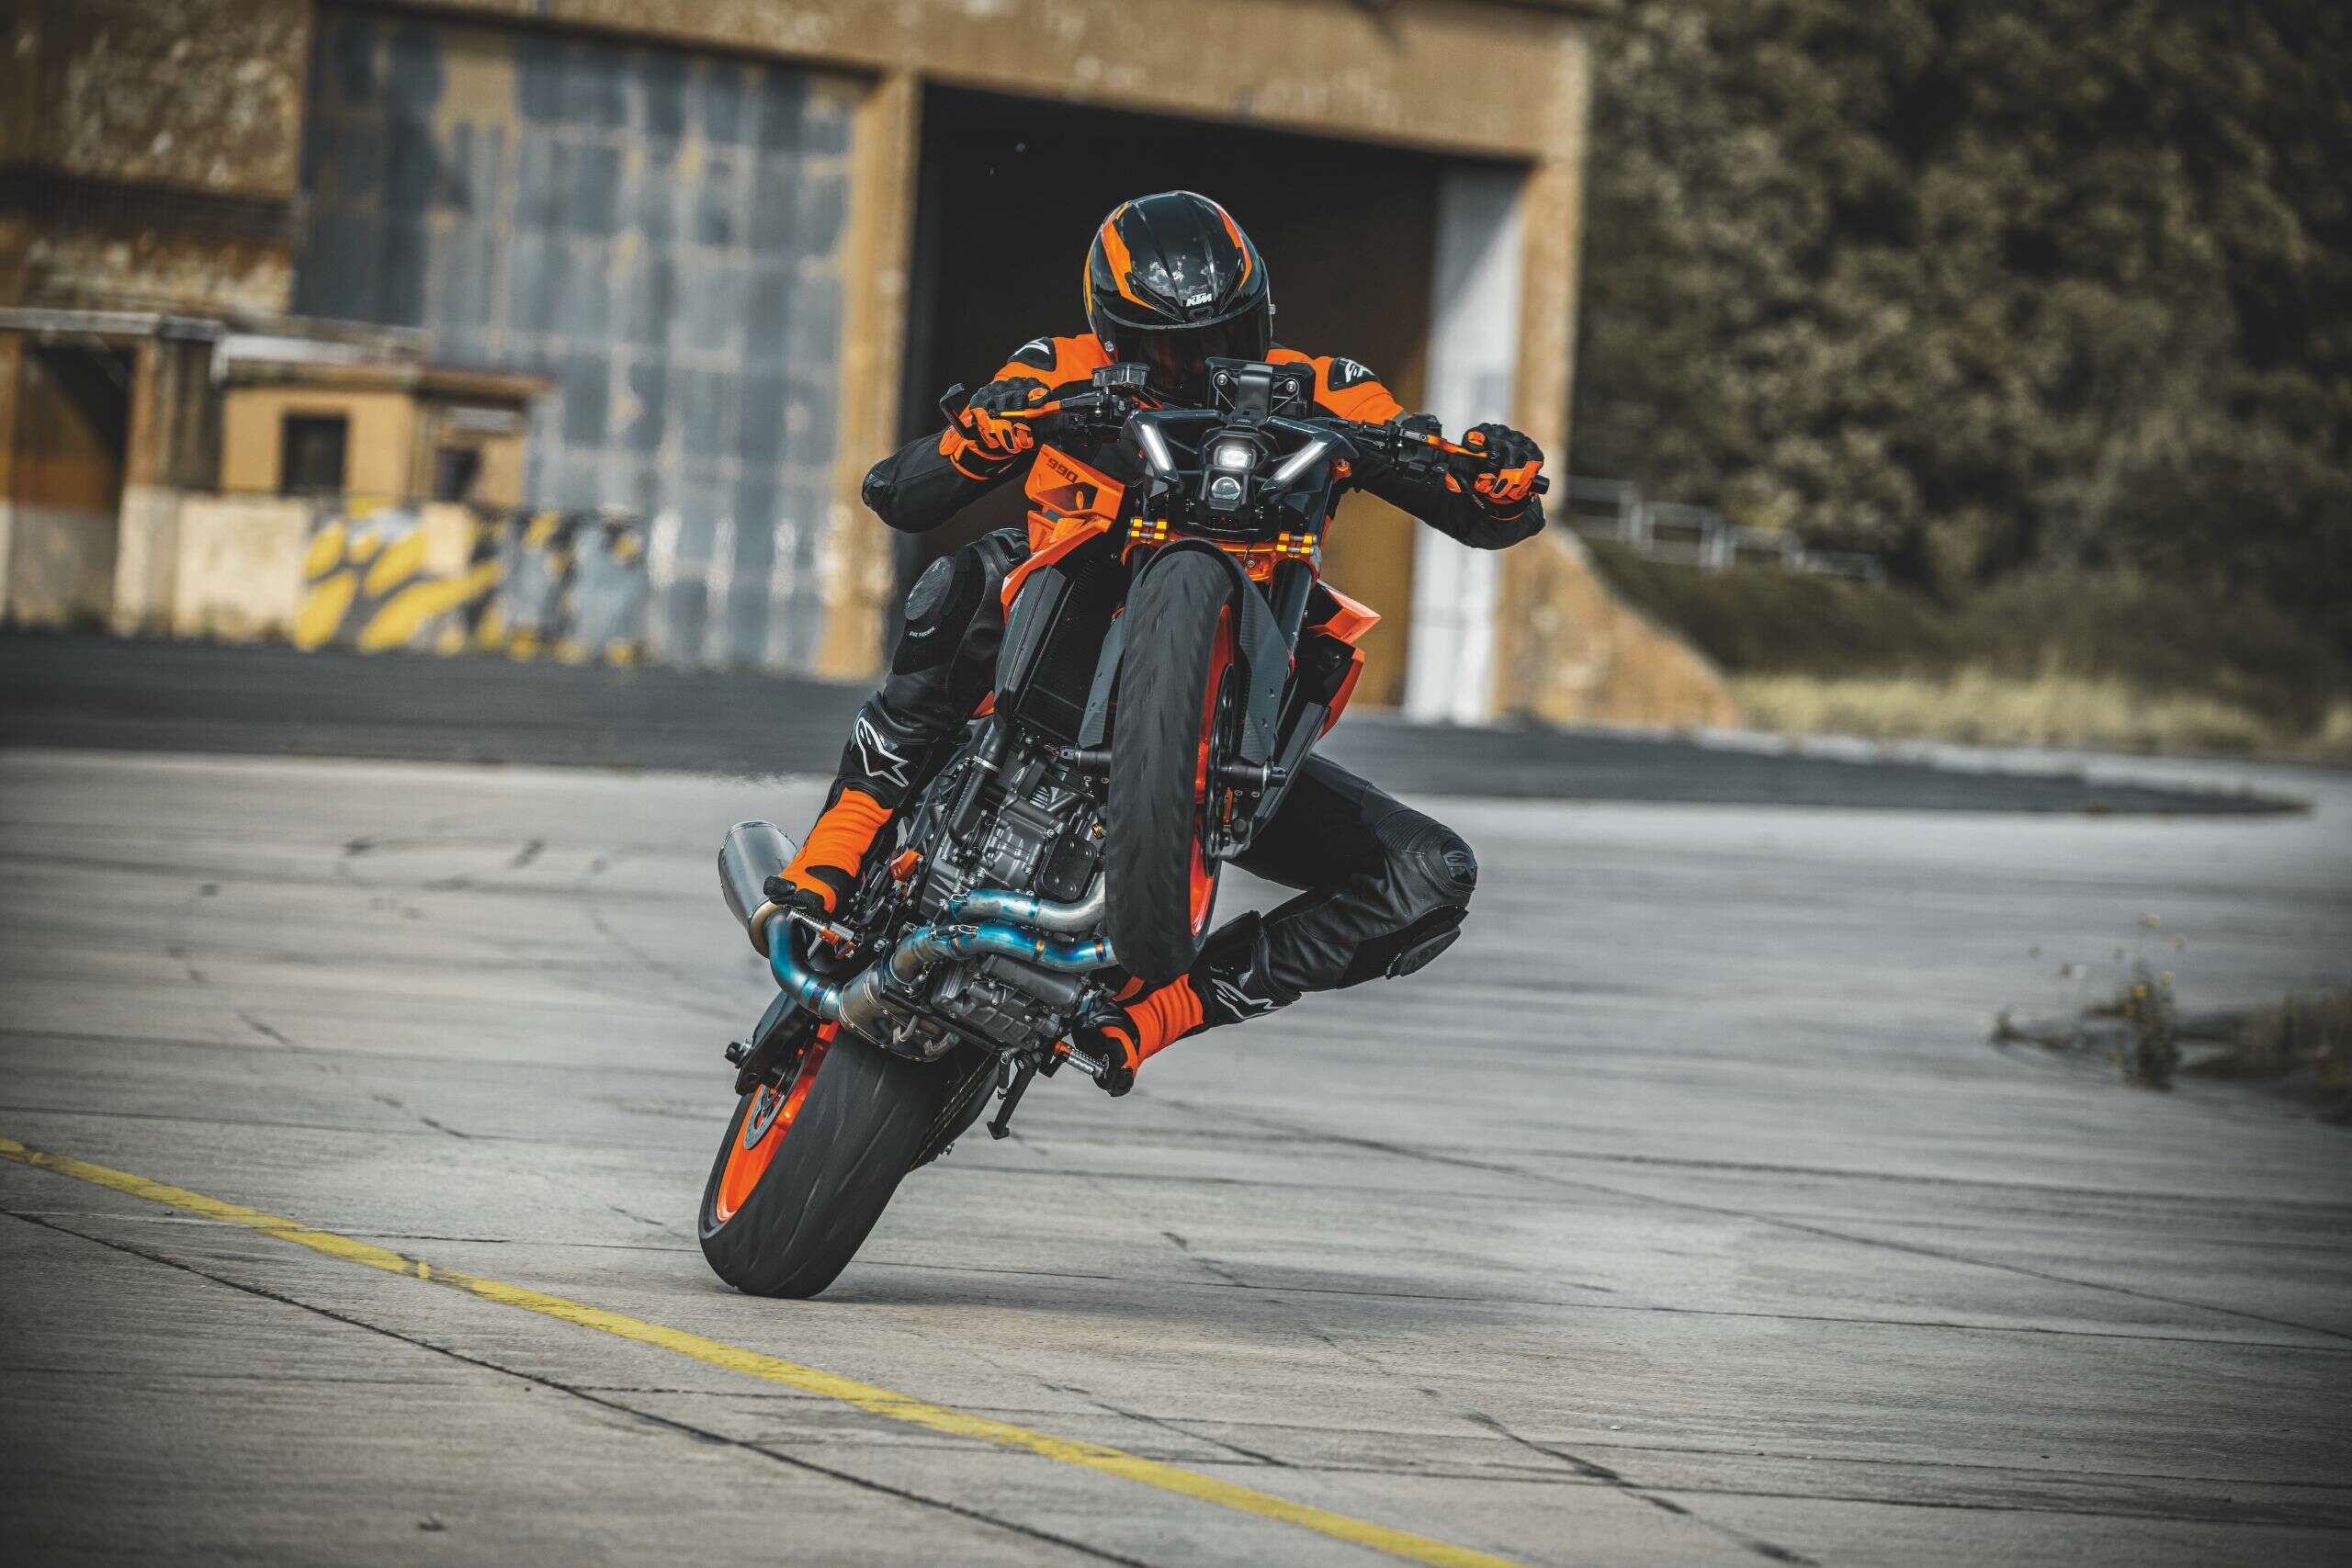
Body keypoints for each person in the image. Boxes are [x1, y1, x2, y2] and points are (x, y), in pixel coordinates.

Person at [765, 191, 1545, 1094]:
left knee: (1428, 873)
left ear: (1262, 314)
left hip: (1218, 741)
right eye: (1172, 351)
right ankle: (844, 833)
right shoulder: (1057, 366)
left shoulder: (1324, 384)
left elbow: (1470, 500)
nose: (1203, 366)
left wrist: (1493, 480)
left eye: (1227, 336)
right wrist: (979, 437)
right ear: (1112, 334)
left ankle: (1157, 1013)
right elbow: (896, 493)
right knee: (973, 575)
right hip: (1043, 664)